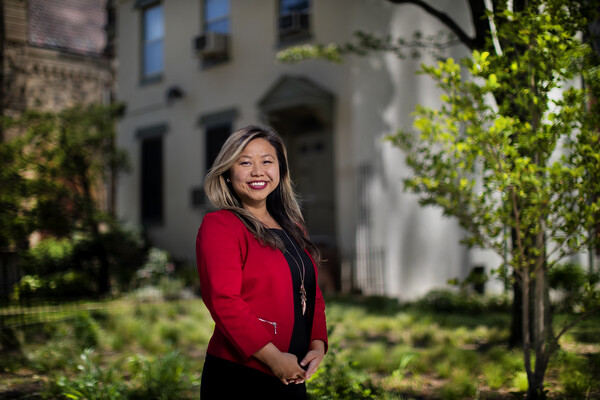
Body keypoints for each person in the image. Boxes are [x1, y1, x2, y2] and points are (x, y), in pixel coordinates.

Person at [196, 125, 328, 399]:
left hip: (292, 372)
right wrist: (274, 358)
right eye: (245, 163)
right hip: (241, 375)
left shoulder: (293, 228)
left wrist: (317, 345)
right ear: (228, 174)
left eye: (267, 161)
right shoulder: (220, 225)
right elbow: (224, 301)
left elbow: (311, 293)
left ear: (280, 169)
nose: (258, 171)